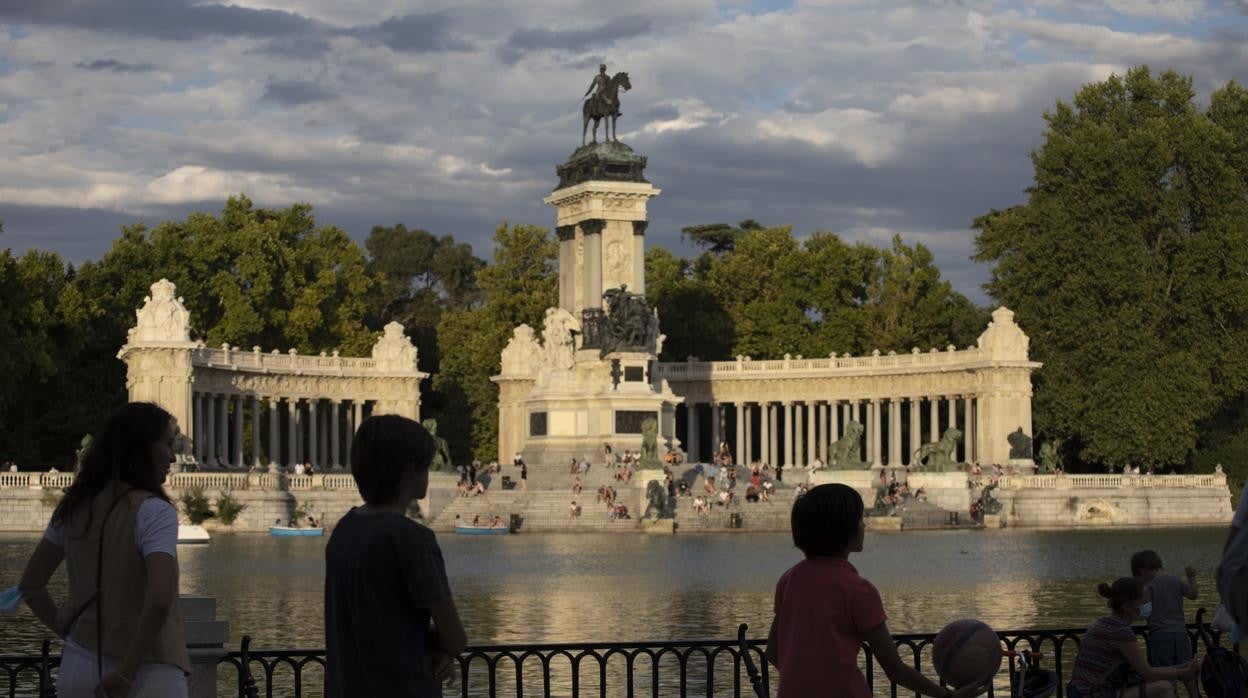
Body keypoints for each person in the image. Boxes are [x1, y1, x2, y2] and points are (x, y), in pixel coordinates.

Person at [18, 402, 191, 697]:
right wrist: (126, 673)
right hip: (148, 672)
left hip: (78, 665)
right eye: (167, 444)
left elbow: (30, 586)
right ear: (143, 448)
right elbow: (160, 598)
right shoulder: (153, 510)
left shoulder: (74, 506)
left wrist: (67, 629)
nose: (173, 456)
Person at [766, 484, 990, 698]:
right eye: (859, 520)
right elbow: (894, 669)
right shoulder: (858, 590)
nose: (863, 526)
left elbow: (773, 652)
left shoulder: (789, 580)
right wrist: (945, 695)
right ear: (847, 530)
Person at [324, 414, 466, 697]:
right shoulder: (412, 539)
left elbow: (373, 620)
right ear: (409, 472)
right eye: (426, 466)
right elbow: (455, 637)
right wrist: (435, 648)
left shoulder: (343, 530)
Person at [1067, 577, 1200, 697]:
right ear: (1127, 607)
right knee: (1164, 688)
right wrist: (1186, 671)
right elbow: (1150, 675)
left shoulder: (1103, 622)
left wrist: (1184, 667)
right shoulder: (1120, 632)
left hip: (1080, 690)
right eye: (1144, 602)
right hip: (1093, 693)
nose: (1148, 605)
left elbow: (1145, 670)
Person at [1131, 550, 1199, 698]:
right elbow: (1193, 595)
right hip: (1181, 634)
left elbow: (1144, 613)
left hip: (1160, 636)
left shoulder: (1147, 587)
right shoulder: (1174, 580)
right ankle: (1195, 695)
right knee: (1188, 671)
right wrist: (1191, 577)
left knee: (1166, 675)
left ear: (1141, 571)